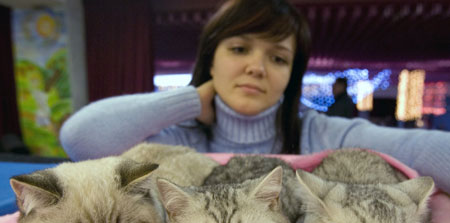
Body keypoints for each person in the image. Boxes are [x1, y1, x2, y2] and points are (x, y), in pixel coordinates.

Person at [59, 0, 450, 194]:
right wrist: (192, 100)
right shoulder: (179, 137)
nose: (257, 67)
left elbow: (423, 148)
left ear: (290, 76)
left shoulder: (322, 135)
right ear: (211, 58)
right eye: (240, 49)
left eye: (278, 57)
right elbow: (82, 140)